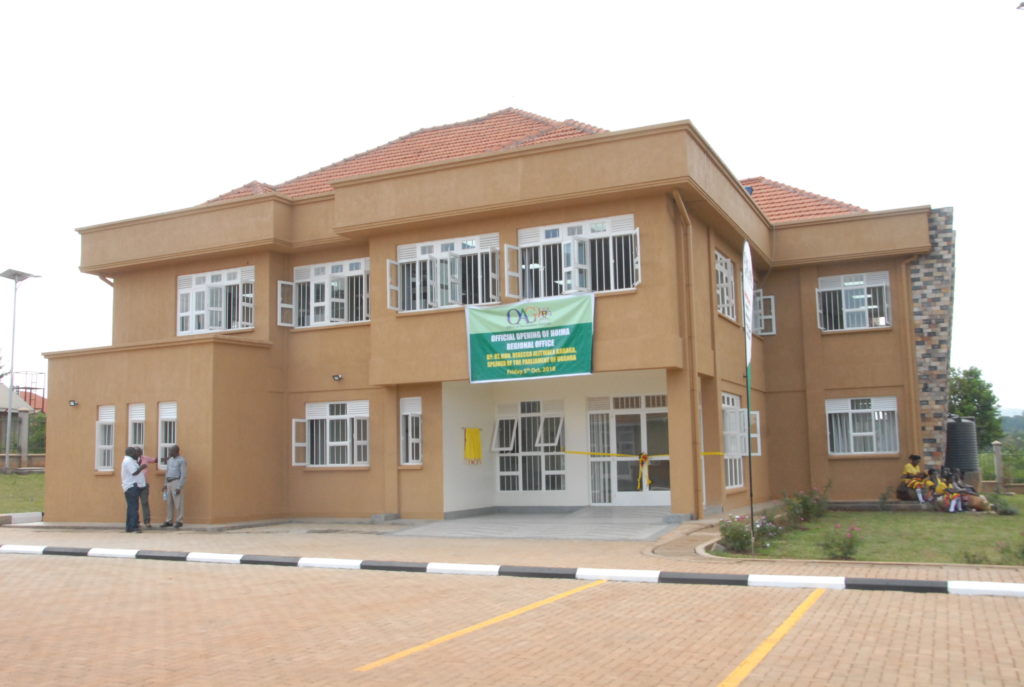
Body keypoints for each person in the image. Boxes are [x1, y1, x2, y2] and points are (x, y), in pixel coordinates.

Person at [120, 447, 147, 533]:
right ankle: (132, 527)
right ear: (131, 453)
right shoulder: (128, 461)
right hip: (131, 487)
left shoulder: (131, 460)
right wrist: (142, 467)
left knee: (132, 507)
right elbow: (134, 472)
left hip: (132, 486)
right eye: (135, 452)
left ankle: (131, 526)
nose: (137, 454)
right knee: (133, 507)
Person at [160, 445, 187, 529]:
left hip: (176, 482)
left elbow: (183, 474)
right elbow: (167, 472)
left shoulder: (181, 461)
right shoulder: (170, 460)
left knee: (178, 502)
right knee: (169, 502)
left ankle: (179, 520)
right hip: (168, 482)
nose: (169, 453)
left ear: (176, 451)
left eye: (171, 451)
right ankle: (169, 520)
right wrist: (165, 484)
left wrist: (179, 486)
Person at [136, 449, 155, 528]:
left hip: (144, 484)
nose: (139, 453)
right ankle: (136, 521)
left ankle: (147, 521)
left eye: (140, 452)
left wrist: (165, 459)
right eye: (137, 452)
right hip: (135, 484)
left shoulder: (145, 458)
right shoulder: (131, 461)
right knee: (135, 504)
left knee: (145, 502)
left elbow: (155, 460)